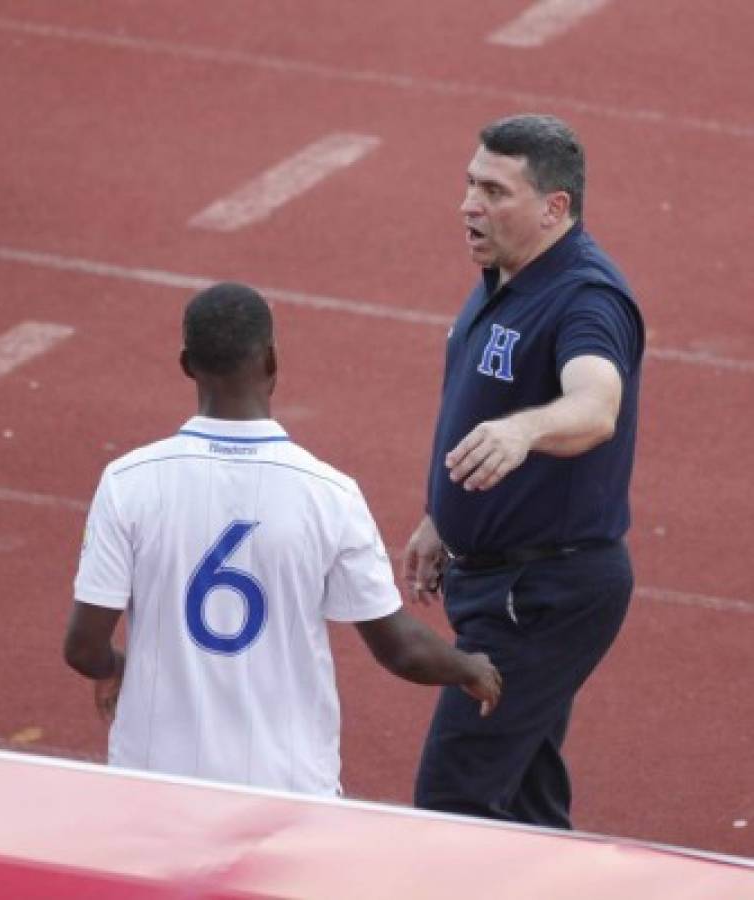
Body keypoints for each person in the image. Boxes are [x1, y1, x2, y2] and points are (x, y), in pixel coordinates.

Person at [63, 282, 500, 797]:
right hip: (286, 789)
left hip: (154, 785)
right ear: (272, 361)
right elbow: (400, 649)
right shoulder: (330, 494)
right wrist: (470, 667)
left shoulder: (128, 482)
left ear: (186, 364)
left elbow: (83, 648)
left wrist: (118, 669)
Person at [404, 114, 644, 828]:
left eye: (494, 190)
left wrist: (525, 429)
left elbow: (596, 404)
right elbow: (485, 398)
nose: (469, 205)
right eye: (469, 184)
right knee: (525, 799)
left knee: (454, 801)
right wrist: (443, 515)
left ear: (555, 208)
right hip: (504, 578)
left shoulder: (586, 299)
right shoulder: (507, 276)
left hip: (540, 595)